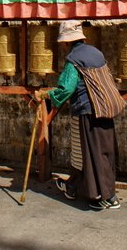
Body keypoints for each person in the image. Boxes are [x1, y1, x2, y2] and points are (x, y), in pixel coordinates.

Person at [36, 20, 121, 210]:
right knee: (104, 153)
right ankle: (110, 195)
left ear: (66, 42)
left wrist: (48, 94)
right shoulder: (97, 53)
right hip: (105, 109)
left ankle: (95, 196)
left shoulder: (73, 59)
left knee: (85, 154)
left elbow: (67, 88)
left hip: (87, 112)